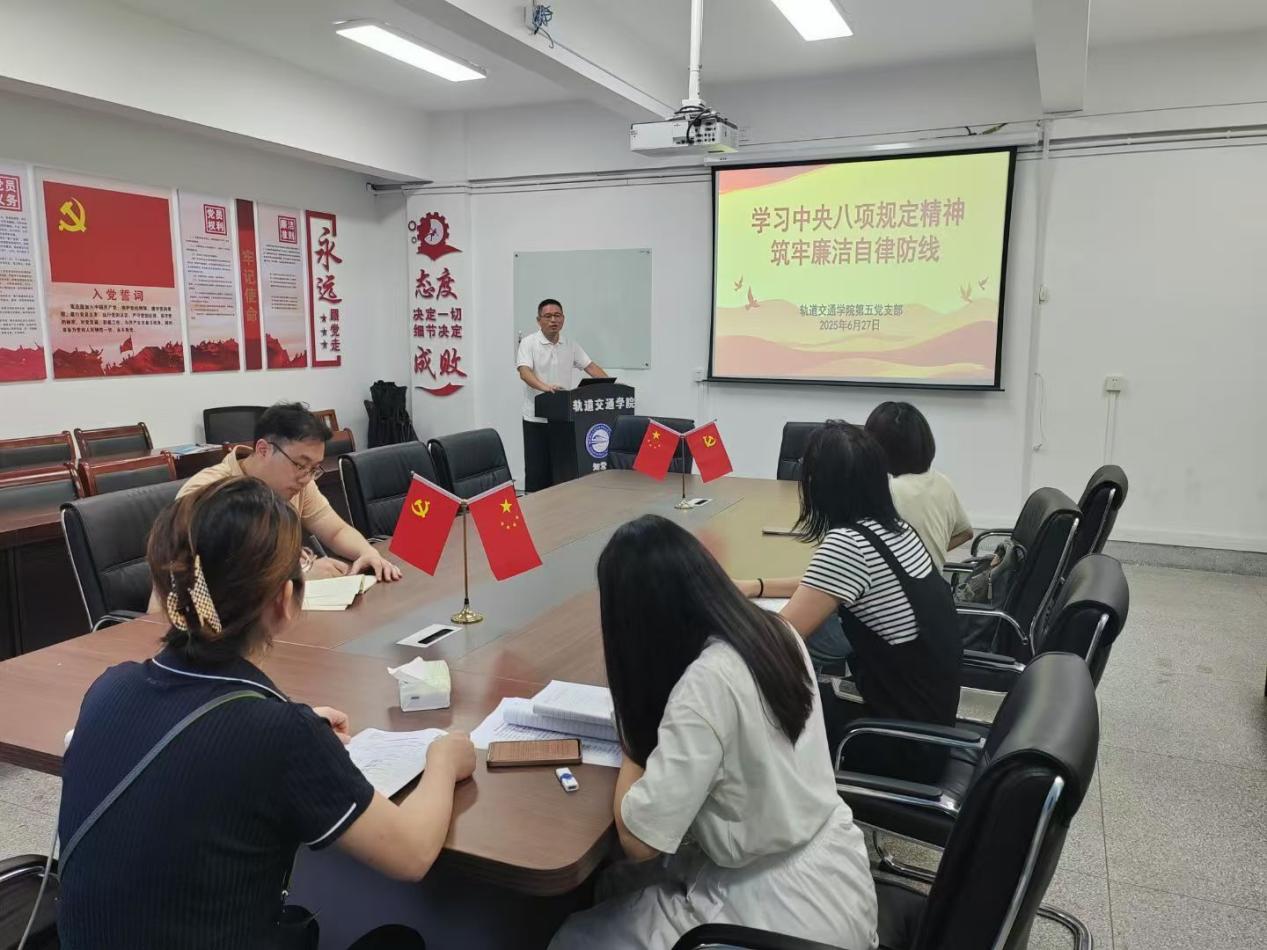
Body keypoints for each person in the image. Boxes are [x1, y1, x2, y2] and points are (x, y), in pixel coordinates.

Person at [57, 477, 476, 949]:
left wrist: (286, 723)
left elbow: (199, 737)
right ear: (284, 600)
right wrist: (444, 759)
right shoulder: (279, 735)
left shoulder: (108, 687)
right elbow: (412, 854)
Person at [549, 515, 878, 950]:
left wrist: (631, 738)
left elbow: (639, 841)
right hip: (836, 880)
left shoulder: (702, 688)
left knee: (572, 937)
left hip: (771, 916)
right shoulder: (773, 631)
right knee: (617, 886)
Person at [734, 423, 961, 764]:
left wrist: (717, 610)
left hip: (895, 743)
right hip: (926, 725)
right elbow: (823, 583)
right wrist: (758, 585)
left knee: (757, 701)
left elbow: (778, 638)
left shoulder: (848, 544)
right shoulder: (894, 530)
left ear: (820, 486)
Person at [183, 401, 401, 582]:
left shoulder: (299, 483)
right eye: (299, 464)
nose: (306, 478)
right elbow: (210, 574)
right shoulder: (206, 491)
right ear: (263, 449)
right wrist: (296, 575)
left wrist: (368, 553)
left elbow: (335, 531)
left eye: (313, 469)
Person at [865, 401, 972, 571]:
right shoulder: (941, 481)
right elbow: (965, 533)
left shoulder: (889, 491)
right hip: (933, 584)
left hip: (898, 586)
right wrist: (931, 555)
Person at [516, 298, 608, 492]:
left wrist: (610, 385)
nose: (553, 320)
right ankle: (535, 506)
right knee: (537, 470)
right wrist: (545, 387)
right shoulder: (529, 343)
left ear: (563, 319)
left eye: (557, 315)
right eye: (548, 316)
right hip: (536, 418)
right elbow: (524, 372)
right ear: (539, 320)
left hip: (563, 418)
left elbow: (590, 366)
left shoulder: (570, 344)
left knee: (562, 470)